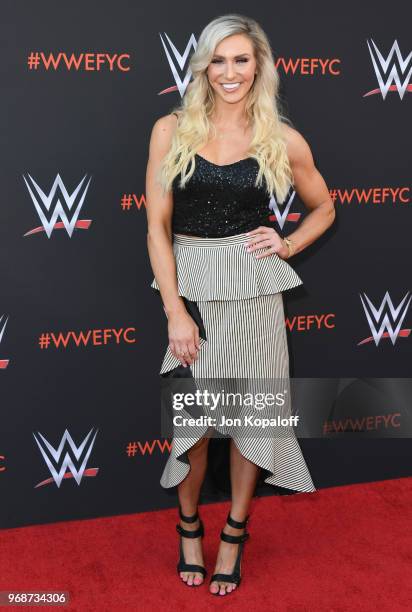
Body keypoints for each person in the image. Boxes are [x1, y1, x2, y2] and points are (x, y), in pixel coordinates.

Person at [145, 13, 335, 597]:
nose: (230, 72)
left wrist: (288, 241)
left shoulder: (280, 136)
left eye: (242, 60)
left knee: (254, 422)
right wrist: (175, 312)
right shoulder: (170, 129)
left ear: (260, 66)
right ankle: (188, 526)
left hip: (255, 298)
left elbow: (324, 207)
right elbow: (156, 226)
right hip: (195, 295)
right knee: (194, 429)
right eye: (219, 60)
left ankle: (233, 533)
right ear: (203, 65)